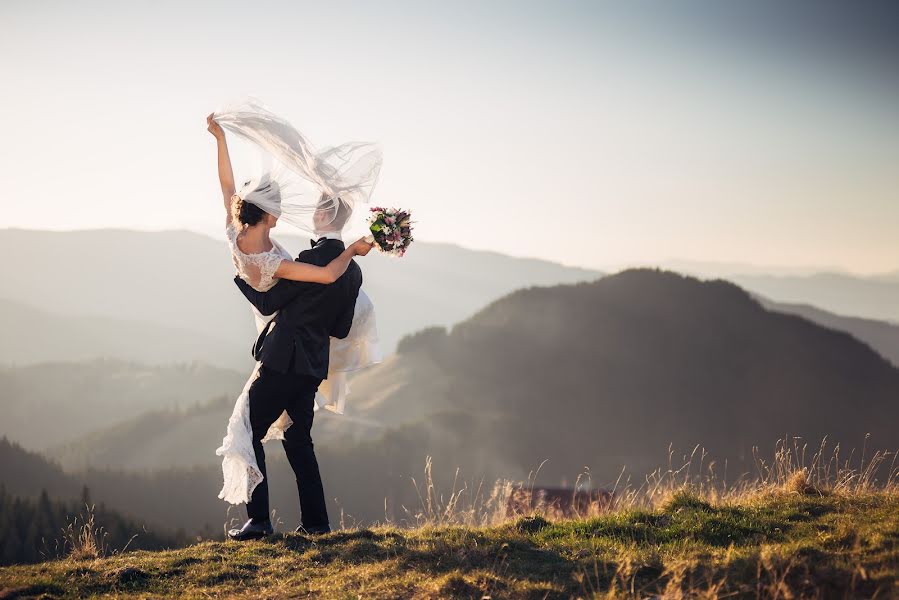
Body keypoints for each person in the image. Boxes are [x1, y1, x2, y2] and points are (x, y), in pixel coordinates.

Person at [207, 114, 377, 540]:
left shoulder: (304, 260)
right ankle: (316, 524)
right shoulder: (349, 272)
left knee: (248, 427)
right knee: (299, 443)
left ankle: (259, 520)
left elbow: (274, 297)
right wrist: (352, 253)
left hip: (283, 357)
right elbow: (340, 326)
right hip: (313, 364)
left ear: (322, 215)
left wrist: (218, 139)